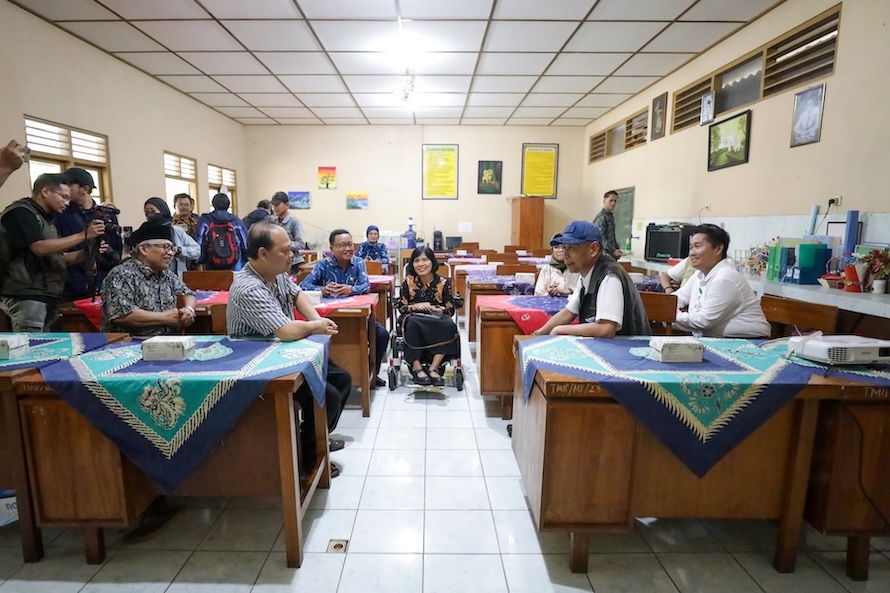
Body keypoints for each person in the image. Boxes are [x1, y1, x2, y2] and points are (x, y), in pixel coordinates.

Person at [228, 222, 351, 477]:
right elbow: (284, 330)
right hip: (258, 363)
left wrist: (317, 319)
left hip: (285, 353)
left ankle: (315, 438)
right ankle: (306, 460)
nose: (292, 256)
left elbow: (298, 295)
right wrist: (315, 326)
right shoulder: (249, 287)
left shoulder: (276, 272)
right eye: (285, 251)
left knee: (341, 380)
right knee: (328, 395)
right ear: (263, 253)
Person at [0, 173, 105, 331]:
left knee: (46, 347)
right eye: (63, 197)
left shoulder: (48, 219)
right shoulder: (20, 212)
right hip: (26, 294)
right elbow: (39, 248)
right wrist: (83, 235)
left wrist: (88, 252)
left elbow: (59, 258)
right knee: (30, 347)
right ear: (46, 191)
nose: (67, 203)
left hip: (49, 294)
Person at [300, 229, 390, 386]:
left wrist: (351, 290)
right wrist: (322, 290)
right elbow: (303, 285)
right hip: (328, 317)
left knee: (382, 334)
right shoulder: (323, 265)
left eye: (349, 244)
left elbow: (365, 285)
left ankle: (371, 373)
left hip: (358, 315)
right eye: (342, 245)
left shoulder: (358, 263)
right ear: (332, 248)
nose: (347, 249)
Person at [532, 221, 649, 338]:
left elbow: (606, 329)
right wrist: (538, 334)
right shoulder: (586, 272)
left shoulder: (609, 276)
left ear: (593, 249)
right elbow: (569, 312)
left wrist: (560, 330)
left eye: (571, 248)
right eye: (564, 247)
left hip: (628, 350)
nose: (565, 255)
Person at [100, 221, 196, 335]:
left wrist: (189, 310)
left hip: (167, 343)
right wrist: (165, 317)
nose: (170, 253)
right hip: (129, 345)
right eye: (165, 247)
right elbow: (122, 315)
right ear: (144, 249)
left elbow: (189, 294)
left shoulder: (167, 275)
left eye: (172, 248)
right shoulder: (121, 275)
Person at [673, 224, 770, 338]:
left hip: (746, 340)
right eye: (691, 247)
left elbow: (703, 321)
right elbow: (675, 299)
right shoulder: (699, 274)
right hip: (715, 340)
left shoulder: (725, 277)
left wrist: (671, 315)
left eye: (698, 247)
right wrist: (666, 309)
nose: (692, 253)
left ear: (718, 249)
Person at [55, 167, 122, 300]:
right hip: (71, 284)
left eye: (68, 184)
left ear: (84, 189)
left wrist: (106, 250)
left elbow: (117, 249)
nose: (63, 189)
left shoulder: (107, 214)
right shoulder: (59, 214)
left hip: (104, 284)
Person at [398, 246, 459, 386]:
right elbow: (401, 307)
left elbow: (450, 310)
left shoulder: (444, 283)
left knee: (449, 324)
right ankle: (417, 367)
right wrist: (414, 306)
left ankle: (434, 368)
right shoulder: (408, 282)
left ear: (432, 262)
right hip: (413, 318)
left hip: (436, 318)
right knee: (411, 323)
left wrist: (436, 309)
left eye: (425, 260)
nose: (420, 264)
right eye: (416, 260)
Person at [143, 197, 200, 279]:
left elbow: (197, 250)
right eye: (146, 211)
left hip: (177, 277)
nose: (149, 214)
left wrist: (179, 250)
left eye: (152, 210)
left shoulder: (176, 230)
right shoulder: (144, 231)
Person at [195, 193, 248, 271]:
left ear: (213, 204)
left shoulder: (205, 220)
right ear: (228, 204)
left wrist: (198, 262)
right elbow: (245, 244)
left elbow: (198, 243)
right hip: (235, 266)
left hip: (210, 265)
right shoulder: (236, 221)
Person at [269, 191, 306, 273]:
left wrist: (283, 244)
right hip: (278, 262)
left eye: (277, 205)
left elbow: (301, 244)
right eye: (274, 205)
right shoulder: (273, 222)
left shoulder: (294, 222)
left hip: (293, 263)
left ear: (287, 205)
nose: (275, 208)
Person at [592, 190, 623, 259]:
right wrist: (613, 250)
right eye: (611, 200)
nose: (613, 203)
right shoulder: (601, 217)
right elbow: (600, 237)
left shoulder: (610, 216)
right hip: (603, 254)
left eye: (615, 201)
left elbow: (611, 236)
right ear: (604, 201)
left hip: (610, 254)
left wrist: (617, 248)